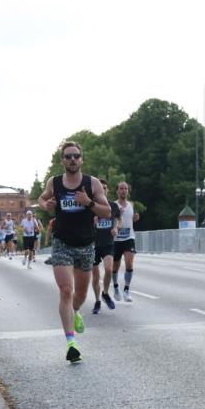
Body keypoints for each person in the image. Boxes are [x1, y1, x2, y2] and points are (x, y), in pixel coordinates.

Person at [39, 141, 111, 363]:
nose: (72, 160)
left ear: (81, 159)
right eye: (68, 156)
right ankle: (71, 343)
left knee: (80, 295)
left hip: (86, 245)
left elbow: (107, 212)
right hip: (62, 243)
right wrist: (46, 204)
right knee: (66, 291)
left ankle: (75, 312)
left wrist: (88, 202)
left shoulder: (93, 183)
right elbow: (42, 199)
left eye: (76, 156)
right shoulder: (55, 182)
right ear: (62, 160)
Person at [91, 180, 121, 313]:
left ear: (107, 190)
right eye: (100, 188)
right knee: (96, 277)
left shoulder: (113, 206)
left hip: (108, 243)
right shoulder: (91, 205)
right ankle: (97, 301)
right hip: (93, 244)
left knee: (109, 270)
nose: (103, 190)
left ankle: (105, 293)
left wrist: (115, 228)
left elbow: (118, 219)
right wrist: (92, 221)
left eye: (105, 188)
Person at [111, 181, 143, 303]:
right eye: (121, 188)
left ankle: (126, 290)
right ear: (117, 191)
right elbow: (110, 218)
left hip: (129, 237)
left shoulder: (131, 204)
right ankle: (115, 288)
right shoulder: (113, 205)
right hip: (116, 239)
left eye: (126, 188)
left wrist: (136, 217)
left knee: (129, 263)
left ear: (128, 191)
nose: (123, 190)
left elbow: (132, 218)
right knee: (115, 266)